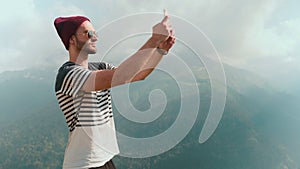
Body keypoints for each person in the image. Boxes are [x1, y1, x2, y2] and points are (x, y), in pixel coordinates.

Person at [53, 12, 176, 169]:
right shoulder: (68, 74)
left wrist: (160, 51)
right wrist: (153, 39)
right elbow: (122, 75)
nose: (95, 37)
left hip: (105, 159)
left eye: (95, 33)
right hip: (83, 164)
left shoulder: (100, 67)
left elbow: (136, 75)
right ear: (71, 39)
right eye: (88, 33)